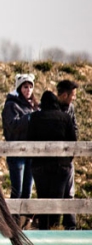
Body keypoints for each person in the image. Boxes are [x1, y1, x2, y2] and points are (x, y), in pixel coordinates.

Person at [27, 91, 77, 230]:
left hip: (40, 165)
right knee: (57, 198)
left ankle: (44, 228)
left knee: (43, 197)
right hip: (61, 165)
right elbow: (73, 142)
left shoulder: (36, 117)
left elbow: (29, 140)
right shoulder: (65, 118)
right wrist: (67, 160)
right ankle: (55, 228)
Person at [1, 73, 39, 202]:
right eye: (25, 87)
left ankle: (23, 220)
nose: (28, 90)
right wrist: (29, 118)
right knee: (18, 190)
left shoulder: (34, 106)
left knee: (27, 191)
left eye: (30, 87)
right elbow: (12, 125)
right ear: (19, 88)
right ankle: (14, 219)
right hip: (17, 152)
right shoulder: (11, 105)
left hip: (31, 153)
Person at [57, 79, 79, 229]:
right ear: (65, 95)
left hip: (67, 157)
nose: (74, 98)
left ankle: (70, 224)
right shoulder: (52, 108)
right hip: (55, 159)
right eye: (73, 95)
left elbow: (75, 129)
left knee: (69, 192)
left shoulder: (70, 108)